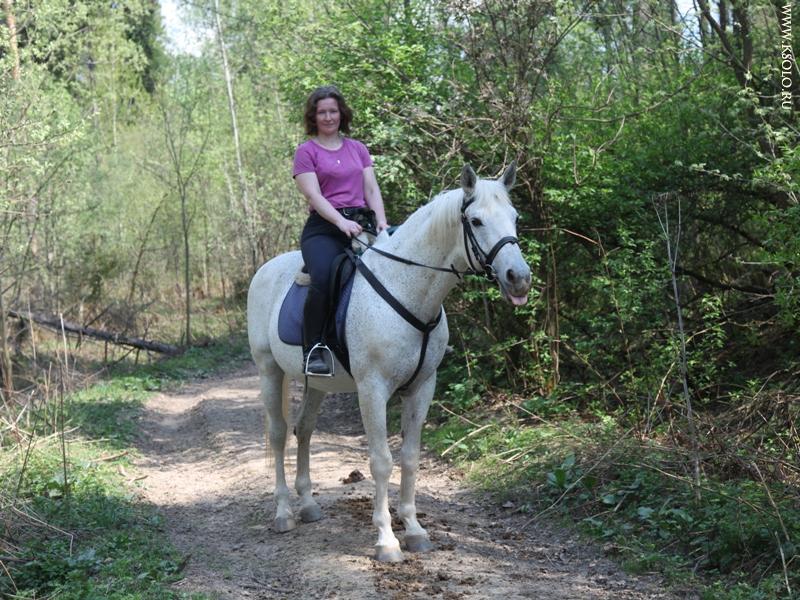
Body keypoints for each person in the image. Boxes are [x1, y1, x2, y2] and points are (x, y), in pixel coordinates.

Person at [293, 85, 388, 376]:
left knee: (399, 267)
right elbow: (314, 196)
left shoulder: (358, 149)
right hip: (324, 229)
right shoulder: (306, 152)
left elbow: (371, 189)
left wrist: (382, 222)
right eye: (322, 112)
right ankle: (314, 348)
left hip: (362, 223)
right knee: (323, 277)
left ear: (341, 113)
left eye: (333, 111)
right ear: (313, 116)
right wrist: (340, 222)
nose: (328, 117)